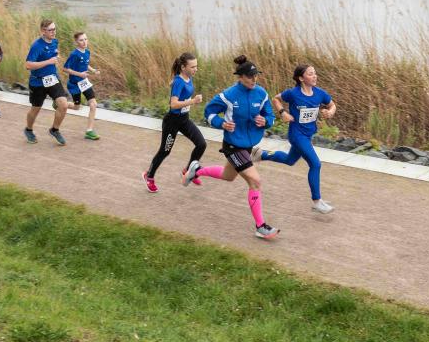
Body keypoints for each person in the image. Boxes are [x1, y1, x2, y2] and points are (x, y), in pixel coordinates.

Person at [182, 55, 279, 239]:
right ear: (240, 77)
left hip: (248, 145)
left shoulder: (261, 93)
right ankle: (260, 226)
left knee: (228, 176)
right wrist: (221, 123)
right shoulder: (228, 95)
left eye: (255, 76)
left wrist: (265, 121)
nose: (254, 79)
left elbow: (271, 116)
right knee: (255, 181)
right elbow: (209, 112)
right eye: (249, 76)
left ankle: (196, 170)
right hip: (233, 145)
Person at [256, 64, 337, 214]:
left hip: (308, 134)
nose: (314, 76)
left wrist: (330, 112)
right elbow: (276, 99)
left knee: (290, 160)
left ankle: (262, 154)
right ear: (301, 78)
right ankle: (317, 201)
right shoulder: (293, 93)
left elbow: (332, 105)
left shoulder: (320, 93)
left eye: (315, 73)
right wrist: (283, 113)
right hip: (297, 135)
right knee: (315, 164)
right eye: (310, 74)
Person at [142, 52, 207, 193]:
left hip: (184, 120)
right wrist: (193, 101)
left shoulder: (187, 77)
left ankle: (188, 171)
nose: (196, 69)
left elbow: (177, 85)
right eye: (192, 67)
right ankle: (149, 175)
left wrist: (174, 84)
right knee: (165, 151)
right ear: (183, 67)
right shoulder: (179, 81)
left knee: (201, 144)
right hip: (172, 122)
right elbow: (173, 104)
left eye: (196, 66)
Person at [23, 19, 70, 145]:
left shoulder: (55, 41)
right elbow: (28, 65)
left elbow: (54, 52)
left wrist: (56, 56)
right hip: (37, 82)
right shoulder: (36, 46)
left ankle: (54, 130)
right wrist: (48, 61)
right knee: (35, 109)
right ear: (43, 31)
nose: (54, 32)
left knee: (64, 105)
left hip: (52, 79)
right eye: (51, 30)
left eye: (55, 29)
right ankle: (28, 130)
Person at [63, 31, 101, 140]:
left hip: (84, 83)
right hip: (74, 84)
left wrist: (93, 70)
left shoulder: (87, 52)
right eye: (81, 40)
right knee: (76, 107)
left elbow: (85, 64)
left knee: (93, 104)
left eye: (85, 39)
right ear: (76, 42)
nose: (84, 42)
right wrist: (79, 74)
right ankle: (61, 104)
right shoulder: (74, 54)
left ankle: (89, 131)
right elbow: (65, 68)